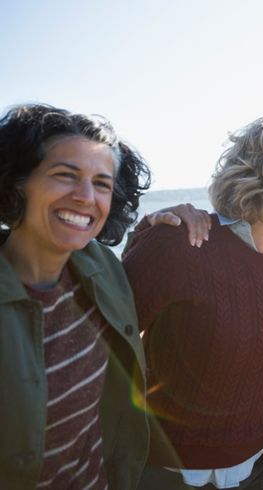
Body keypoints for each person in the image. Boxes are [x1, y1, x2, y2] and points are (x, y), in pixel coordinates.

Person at [122, 115, 263, 489]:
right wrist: (143, 234)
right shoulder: (180, 242)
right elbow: (101, 342)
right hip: (164, 473)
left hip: (261, 469)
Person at [0, 103, 151, 489]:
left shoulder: (103, 268)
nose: (86, 197)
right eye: (65, 175)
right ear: (16, 182)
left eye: (102, 183)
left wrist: (174, 223)